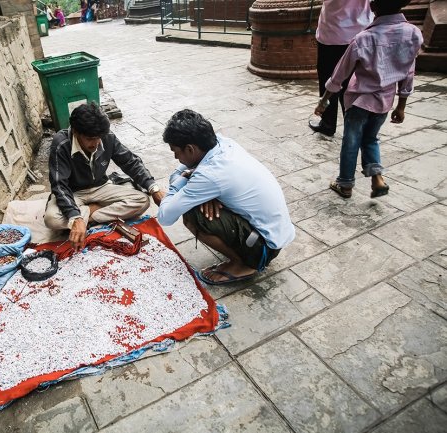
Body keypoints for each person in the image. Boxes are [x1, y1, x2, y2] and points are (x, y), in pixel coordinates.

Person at [157, 109, 295, 284]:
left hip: (264, 247)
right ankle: (243, 254)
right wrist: (194, 185)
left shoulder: (210, 174)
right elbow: (182, 172)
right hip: (276, 234)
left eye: (176, 151)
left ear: (190, 149)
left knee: (192, 214)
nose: (176, 157)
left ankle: (243, 265)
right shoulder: (222, 143)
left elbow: (165, 216)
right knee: (196, 199)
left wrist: (179, 182)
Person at [314, 0, 422, 199]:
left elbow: (338, 75)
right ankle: (377, 178)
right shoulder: (413, 34)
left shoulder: (363, 39)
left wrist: (323, 101)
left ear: (373, 7)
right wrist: (401, 106)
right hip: (385, 102)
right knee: (371, 139)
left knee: (351, 141)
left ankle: (345, 183)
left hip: (359, 101)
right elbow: (409, 73)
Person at [44, 102, 165, 251]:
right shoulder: (61, 143)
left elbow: (130, 162)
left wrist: (153, 187)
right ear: (75, 132)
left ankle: (90, 213)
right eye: (90, 138)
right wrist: (74, 216)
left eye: (98, 138)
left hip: (101, 187)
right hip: (73, 192)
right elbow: (59, 184)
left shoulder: (107, 137)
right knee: (51, 219)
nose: (95, 143)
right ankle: (89, 214)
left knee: (142, 200)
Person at [309, 0, 373, 136]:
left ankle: (328, 123)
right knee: (352, 83)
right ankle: (352, 125)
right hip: (361, 32)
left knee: (329, 79)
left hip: (333, 32)